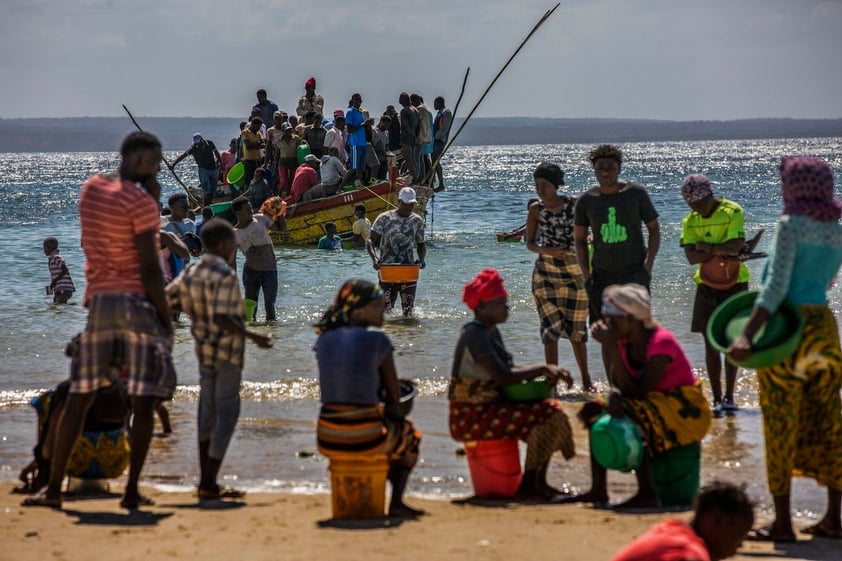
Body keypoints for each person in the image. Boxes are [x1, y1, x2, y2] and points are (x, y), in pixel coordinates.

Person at [23, 132, 177, 510]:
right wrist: (165, 316)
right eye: (154, 161)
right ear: (138, 158)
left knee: (80, 395)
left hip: (101, 303)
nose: (158, 168)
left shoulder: (91, 188)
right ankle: (130, 491)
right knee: (142, 401)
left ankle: (54, 489)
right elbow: (147, 265)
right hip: (137, 304)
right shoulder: (142, 201)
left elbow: (103, 238)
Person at [728, 156, 842, 543]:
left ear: (794, 187)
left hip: (787, 330)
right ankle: (832, 520)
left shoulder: (789, 225)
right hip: (824, 329)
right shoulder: (835, 228)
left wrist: (747, 335)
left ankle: (782, 524)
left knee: (780, 420)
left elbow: (776, 286)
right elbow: (825, 283)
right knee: (829, 421)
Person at [564, 284, 711, 508]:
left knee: (633, 412)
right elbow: (619, 385)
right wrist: (611, 396)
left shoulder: (661, 342)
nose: (606, 324)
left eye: (612, 319)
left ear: (632, 319)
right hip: (651, 402)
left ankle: (647, 492)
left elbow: (640, 390)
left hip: (684, 410)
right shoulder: (624, 341)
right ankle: (598, 489)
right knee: (593, 411)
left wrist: (611, 347)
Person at [167, 218, 273, 499]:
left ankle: (205, 481)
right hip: (227, 353)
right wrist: (254, 337)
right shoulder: (225, 275)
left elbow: (170, 301)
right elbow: (223, 318)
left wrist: (194, 312)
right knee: (227, 415)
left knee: (207, 412)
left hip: (203, 351)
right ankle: (209, 482)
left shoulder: (193, 270)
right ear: (226, 245)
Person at [449, 268, 575, 499]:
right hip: (470, 416)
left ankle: (536, 482)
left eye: (505, 302)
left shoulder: (489, 331)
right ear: (482, 308)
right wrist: (544, 367)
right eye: (500, 303)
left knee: (550, 411)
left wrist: (542, 372)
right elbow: (504, 377)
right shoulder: (475, 335)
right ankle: (530, 486)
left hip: (487, 409)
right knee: (549, 415)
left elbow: (506, 373)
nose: (506, 308)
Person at [314, 279, 424, 518]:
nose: (384, 308)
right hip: (365, 435)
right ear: (358, 310)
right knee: (409, 435)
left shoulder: (323, 339)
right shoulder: (378, 341)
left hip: (327, 435)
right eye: (377, 305)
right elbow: (395, 398)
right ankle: (396, 502)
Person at [574, 144, 660, 383]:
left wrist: (648, 264)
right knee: (608, 335)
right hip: (601, 277)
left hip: (634, 274)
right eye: (600, 168)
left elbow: (654, 229)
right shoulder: (586, 201)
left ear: (619, 168)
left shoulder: (636, 194)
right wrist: (586, 273)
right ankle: (615, 386)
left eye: (610, 168)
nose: (605, 172)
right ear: (594, 169)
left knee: (639, 331)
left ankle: (640, 382)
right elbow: (579, 240)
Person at [680, 174, 750, 413]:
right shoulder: (690, 220)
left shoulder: (732, 211)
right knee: (710, 343)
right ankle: (717, 398)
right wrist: (720, 251)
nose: (696, 208)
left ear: (710, 195)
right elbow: (691, 257)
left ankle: (731, 396)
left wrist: (706, 249)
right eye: (692, 204)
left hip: (735, 283)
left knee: (732, 340)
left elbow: (736, 247)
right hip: (706, 285)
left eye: (700, 203)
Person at [526, 163, 592, 391]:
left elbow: (588, 232)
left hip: (575, 274)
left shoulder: (574, 205)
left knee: (578, 330)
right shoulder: (536, 209)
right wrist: (548, 251)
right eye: (537, 185)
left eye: (544, 185)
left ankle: (586, 381)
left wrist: (588, 241)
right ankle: (552, 384)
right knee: (550, 329)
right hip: (545, 275)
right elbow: (530, 243)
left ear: (556, 185)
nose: (540, 190)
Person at [16, 374, 130, 496]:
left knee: (43, 402)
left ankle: (43, 475)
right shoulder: (120, 388)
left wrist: (39, 460)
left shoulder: (67, 390)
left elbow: (48, 450)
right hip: (114, 464)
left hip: (74, 463)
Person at [609, 482, 755, 561]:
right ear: (717, 521)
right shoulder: (688, 550)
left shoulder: (669, 529)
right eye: (739, 535)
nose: (740, 545)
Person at [367, 187, 426, 316]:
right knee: (385, 311)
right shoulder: (384, 218)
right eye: (406, 204)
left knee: (408, 311)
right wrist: (374, 259)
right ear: (399, 201)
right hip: (388, 270)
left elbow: (421, 244)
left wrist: (421, 259)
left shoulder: (417, 220)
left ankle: (407, 334)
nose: (409, 207)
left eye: (411, 204)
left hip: (408, 270)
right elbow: (370, 240)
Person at [232, 196, 287, 322]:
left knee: (270, 304)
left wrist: (281, 211)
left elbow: (283, 229)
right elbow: (232, 258)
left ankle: (272, 334)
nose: (251, 212)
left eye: (251, 208)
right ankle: (250, 333)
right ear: (238, 213)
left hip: (270, 270)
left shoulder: (261, 219)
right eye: (247, 210)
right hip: (251, 272)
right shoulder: (234, 233)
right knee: (251, 306)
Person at [170, 133, 222, 207]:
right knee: (208, 190)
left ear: (202, 141)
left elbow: (216, 153)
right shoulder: (193, 149)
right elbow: (183, 156)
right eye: (196, 145)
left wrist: (221, 163)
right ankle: (205, 206)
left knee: (213, 191)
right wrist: (173, 164)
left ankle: (207, 205)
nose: (198, 146)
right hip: (203, 170)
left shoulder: (209, 143)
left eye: (199, 144)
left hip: (213, 169)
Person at [43, 236, 75, 304]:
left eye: (44, 248)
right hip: (59, 288)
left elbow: (65, 270)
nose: (44, 250)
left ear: (48, 248)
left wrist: (54, 282)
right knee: (56, 306)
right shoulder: (52, 258)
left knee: (60, 307)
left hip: (64, 287)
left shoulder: (56, 257)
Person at [345, 93, 368, 187]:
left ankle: (359, 185)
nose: (358, 102)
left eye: (359, 100)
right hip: (355, 143)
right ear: (352, 101)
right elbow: (350, 129)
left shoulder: (361, 113)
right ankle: (340, 186)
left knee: (360, 167)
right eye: (356, 100)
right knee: (353, 167)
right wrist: (363, 124)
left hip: (363, 143)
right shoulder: (350, 112)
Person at [398, 92, 421, 183]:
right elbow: (419, 125)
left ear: (404, 100)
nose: (399, 100)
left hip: (407, 138)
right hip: (413, 139)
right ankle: (416, 178)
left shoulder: (404, 111)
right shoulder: (415, 110)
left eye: (400, 98)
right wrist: (417, 136)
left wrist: (414, 136)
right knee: (414, 159)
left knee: (409, 159)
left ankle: (414, 179)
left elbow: (406, 126)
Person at [274, 122, 301, 196]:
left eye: (290, 130)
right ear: (283, 131)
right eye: (287, 130)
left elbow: (300, 150)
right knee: (283, 182)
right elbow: (277, 155)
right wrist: (275, 168)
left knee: (293, 180)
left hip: (293, 161)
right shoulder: (279, 141)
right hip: (283, 162)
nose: (289, 132)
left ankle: (291, 196)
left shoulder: (296, 139)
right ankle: (278, 197)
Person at [431, 96, 452, 191]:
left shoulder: (446, 112)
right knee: (433, 161)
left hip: (439, 141)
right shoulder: (440, 112)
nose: (434, 105)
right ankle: (432, 181)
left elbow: (445, 127)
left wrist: (436, 137)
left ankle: (441, 184)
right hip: (435, 141)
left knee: (435, 160)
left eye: (435, 103)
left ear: (439, 103)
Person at [241, 118, 265, 188]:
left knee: (258, 179)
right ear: (253, 124)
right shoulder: (245, 132)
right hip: (249, 160)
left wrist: (254, 144)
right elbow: (248, 146)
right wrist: (257, 143)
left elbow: (263, 144)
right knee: (249, 180)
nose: (259, 128)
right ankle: (248, 196)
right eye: (258, 126)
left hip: (258, 160)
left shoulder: (258, 133)